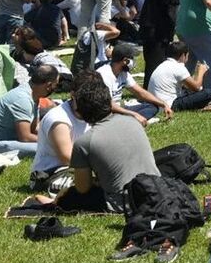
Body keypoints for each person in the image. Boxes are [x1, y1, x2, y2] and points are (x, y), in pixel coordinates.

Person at [54, 72, 159, 214]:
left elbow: (82, 188)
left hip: (123, 202)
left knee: (67, 198)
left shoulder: (85, 142)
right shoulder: (132, 121)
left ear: (82, 110)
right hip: (154, 189)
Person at [0, 63, 59, 156]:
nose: (55, 88)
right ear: (49, 85)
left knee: (51, 145)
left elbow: (34, 128)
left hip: (7, 138)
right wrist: (52, 141)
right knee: (48, 149)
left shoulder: (33, 96)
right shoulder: (22, 99)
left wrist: (56, 135)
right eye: (56, 85)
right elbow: (25, 137)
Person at [98, 42, 171, 123]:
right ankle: (131, 121)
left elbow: (140, 92)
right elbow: (108, 105)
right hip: (107, 111)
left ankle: (130, 121)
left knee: (152, 106)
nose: (134, 61)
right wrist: (133, 114)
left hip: (119, 109)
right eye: (132, 58)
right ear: (125, 61)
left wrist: (163, 104)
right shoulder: (104, 75)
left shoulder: (123, 73)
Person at [137, 0, 182, 84]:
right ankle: (151, 91)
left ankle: (152, 88)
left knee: (158, 60)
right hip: (155, 28)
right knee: (154, 61)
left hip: (158, 28)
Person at [139, 39, 211, 117]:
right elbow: (196, 87)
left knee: (188, 91)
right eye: (187, 56)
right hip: (169, 105)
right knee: (208, 93)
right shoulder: (178, 67)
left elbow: (188, 86)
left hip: (155, 104)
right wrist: (201, 71)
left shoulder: (164, 64)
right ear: (183, 55)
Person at [30, 94, 88, 190]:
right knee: (90, 187)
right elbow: (67, 158)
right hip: (49, 174)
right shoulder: (58, 119)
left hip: (76, 168)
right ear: (73, 95)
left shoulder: (95, 111)